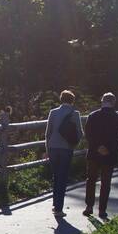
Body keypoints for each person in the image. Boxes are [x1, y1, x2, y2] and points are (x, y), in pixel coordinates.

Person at [82, 92, 118, 219]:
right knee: (106, 183)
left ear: (102, 101)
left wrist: (97, 146)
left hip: (93, 153)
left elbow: (88, 134)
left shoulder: (92, 116)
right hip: (110, 155)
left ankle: (89, 206)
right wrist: (110, 149)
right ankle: (102, 210)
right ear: (113, 102)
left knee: (91, 180)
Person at [45, 90, 83, 218]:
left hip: (53, 148)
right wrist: (74, 144)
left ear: (61, 99)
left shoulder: (53, 113)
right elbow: (80, 133)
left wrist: (47, 149)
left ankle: (56, 204)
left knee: (56, 176)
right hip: (67, 149)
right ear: (72, 100)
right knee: (62, 177)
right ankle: (58, 209)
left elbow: (47, 133)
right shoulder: (75, 114)